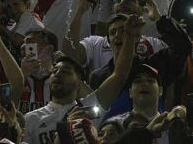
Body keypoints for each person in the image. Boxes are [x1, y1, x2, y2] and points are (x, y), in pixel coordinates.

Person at [23, 15, 144, 144]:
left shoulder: (89, 107)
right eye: (55, 71)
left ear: (79, 84)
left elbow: (120, 74)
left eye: (66, 72)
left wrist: (130, 36)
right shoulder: (31, 118)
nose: (58, 74)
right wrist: (67, 128)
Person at [105, 64, 188, 144]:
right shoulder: (115, 125)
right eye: (138, 81)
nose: (144, 84)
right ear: (130, 93)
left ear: (161, 91)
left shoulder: (172, 125)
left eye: (150, 81)